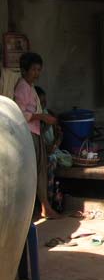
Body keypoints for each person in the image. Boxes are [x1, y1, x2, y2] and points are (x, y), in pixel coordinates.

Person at [13, 52, 59, 219]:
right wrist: (41, 117)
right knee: (33, 171)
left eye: (39, 70)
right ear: (24, 70)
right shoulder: (21, 87)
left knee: (40, 170)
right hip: (27, 134)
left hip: (36, 132)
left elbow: (35, 111)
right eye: (34, 69)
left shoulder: (31, 88)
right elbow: (20, 112)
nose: (37, 73)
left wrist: (46, 119)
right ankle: (42, 208)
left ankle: (45, 206)